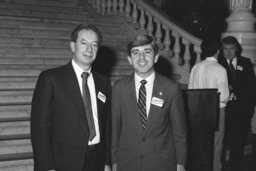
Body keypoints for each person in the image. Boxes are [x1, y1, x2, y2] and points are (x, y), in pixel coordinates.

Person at [31, 24, 111, 171]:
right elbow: (39, 129)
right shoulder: (51, 78)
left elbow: (106, 126)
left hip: (96, 161)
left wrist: (106, 162)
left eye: (94, 45)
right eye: (84, 43)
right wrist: (47, 167)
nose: (89, 50)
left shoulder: (104, 82)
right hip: (64, 162)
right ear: (73, 46)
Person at [111, 35, 187, 171]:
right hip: (127, 162)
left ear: (156, 57)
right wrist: (114, 161)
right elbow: (114, 129)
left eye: (147, 52)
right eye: (136, 52)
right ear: (129, 59)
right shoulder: (119, 88)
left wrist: (181, 163)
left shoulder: (171, 88)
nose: (141, 58)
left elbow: (179, 131)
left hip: (162, 163)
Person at [188, 38, 229, 171]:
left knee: (200, 144)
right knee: (216, 145)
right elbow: (223, 97)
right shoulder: (220, 69)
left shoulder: (196, 67)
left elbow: (191, 91)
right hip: (216, 111)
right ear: (219, 50)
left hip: (197, 111)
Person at [219, 36, 256, 171]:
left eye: (232, 48)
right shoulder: (218, 64)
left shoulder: (245, 62)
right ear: (221, 50)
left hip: (242, 112)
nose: (228, 52)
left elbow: (252, 88)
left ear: (237, 49)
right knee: (221, 143)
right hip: (223, 111)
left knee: (238, 143)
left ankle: (236, 167)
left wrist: (249, 110)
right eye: (225, 49)